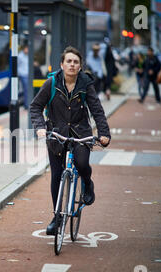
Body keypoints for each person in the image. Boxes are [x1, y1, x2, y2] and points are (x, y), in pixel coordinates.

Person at [30, 46, 111, 236]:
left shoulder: (86, 84)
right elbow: (35, 107)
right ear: (62, 64)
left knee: (82, 163)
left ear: (80, 66)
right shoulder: (51, 83)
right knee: (57, 175)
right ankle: (57, 217)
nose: (72, 65)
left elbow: (97, 110)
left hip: (80, 132)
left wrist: (104, 133)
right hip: (57, 134)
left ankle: (88, 183)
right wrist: (40, 127)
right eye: (69, 61)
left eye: (76, 62)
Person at [18, 44, 29, 108]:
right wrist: (19, 73)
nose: (27, 50)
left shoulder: (27, 56)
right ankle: (26, 104)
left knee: (26, 89)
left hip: (27, 74)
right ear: (24, 49)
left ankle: (26, 103)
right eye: (27, 49)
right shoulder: (20, 56)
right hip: (22, 74)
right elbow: (17, 65)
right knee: (26, 89)